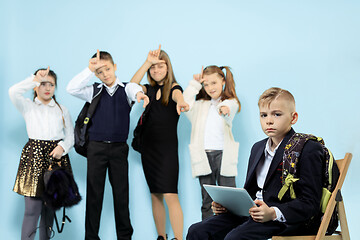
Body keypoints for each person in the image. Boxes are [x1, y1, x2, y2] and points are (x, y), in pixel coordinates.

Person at [187, 87, 325, 240]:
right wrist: (229, 207)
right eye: (263, 115)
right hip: (253, 213)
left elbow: (310, 203)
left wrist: (273, 212)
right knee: (197, 230)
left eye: (277, 114)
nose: (269, 120)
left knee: (235, 238)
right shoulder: (258, 148)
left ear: (293, 118)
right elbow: (251, 192)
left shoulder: (308, 148)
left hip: (284, 218)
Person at [66, 50, 149, 240]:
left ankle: (124, 236)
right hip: (96, 149)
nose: (105, 74)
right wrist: (89, 68)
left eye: (108, 69)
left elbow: (134, 89)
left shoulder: (126, 89)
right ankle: (91, 237)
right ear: (96, 74)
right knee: (94, 195)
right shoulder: (93, 91)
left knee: (121, 195)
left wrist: (140, 95)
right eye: (100, 72)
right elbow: (71, 88)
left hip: (119, 149)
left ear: (115, 67)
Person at [130, 45, 189, 240]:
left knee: (171, 195)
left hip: (167, 152)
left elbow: (178, 96)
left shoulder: (173, 88)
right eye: (152, 68)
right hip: (149, 151)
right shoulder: (147, 89)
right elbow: (131, 85)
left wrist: (181, 102)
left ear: (168, 68)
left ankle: (179, 238)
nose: (156, 70)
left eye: (160, 66)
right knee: (155, 194)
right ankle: (161, 237)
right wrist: (147, 61)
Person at [9, 67, 75, 240]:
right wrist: (34, 78)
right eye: (42, 84)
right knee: (32, 210)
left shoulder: (62, 109)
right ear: (35, 87)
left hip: (56, 159)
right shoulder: (28, 106)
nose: (47, 88)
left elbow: (71, 136)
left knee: (50, 209)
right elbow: (13, 91)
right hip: (34, 158)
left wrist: (63, 147)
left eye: (51, 84)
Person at [183, 66, 241, 220]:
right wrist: (194, 84)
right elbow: (185, 104)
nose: (210, 88)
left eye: (214, 83)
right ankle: (207, 234)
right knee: (207, 201)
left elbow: (229, 108)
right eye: (206, 84)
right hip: (203, 157)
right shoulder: (201, 105)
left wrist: (224, 109)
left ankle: (232, 234)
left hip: (224, 156)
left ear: (223, 80)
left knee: (230, 201)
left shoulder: (230, 102)